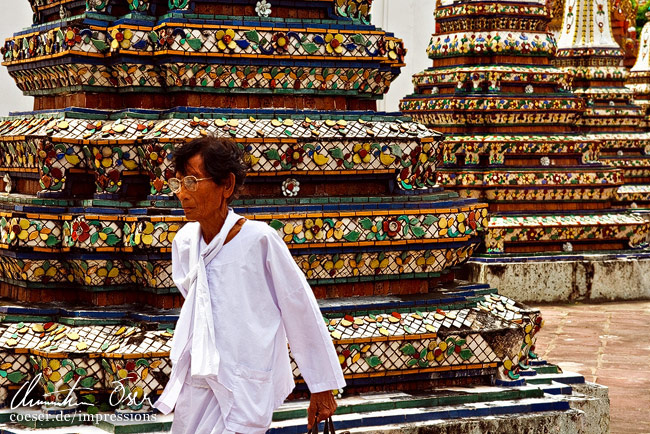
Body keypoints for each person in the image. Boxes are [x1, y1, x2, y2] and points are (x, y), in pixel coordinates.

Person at [153, 136, 345, 434]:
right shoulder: (184, 243)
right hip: (198, 384)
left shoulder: (260, 240)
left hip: (243, 384)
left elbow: (300, 309)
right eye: (177, 183)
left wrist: (322, 386)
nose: (182, 193)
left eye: (191, 182)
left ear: (226, 185)